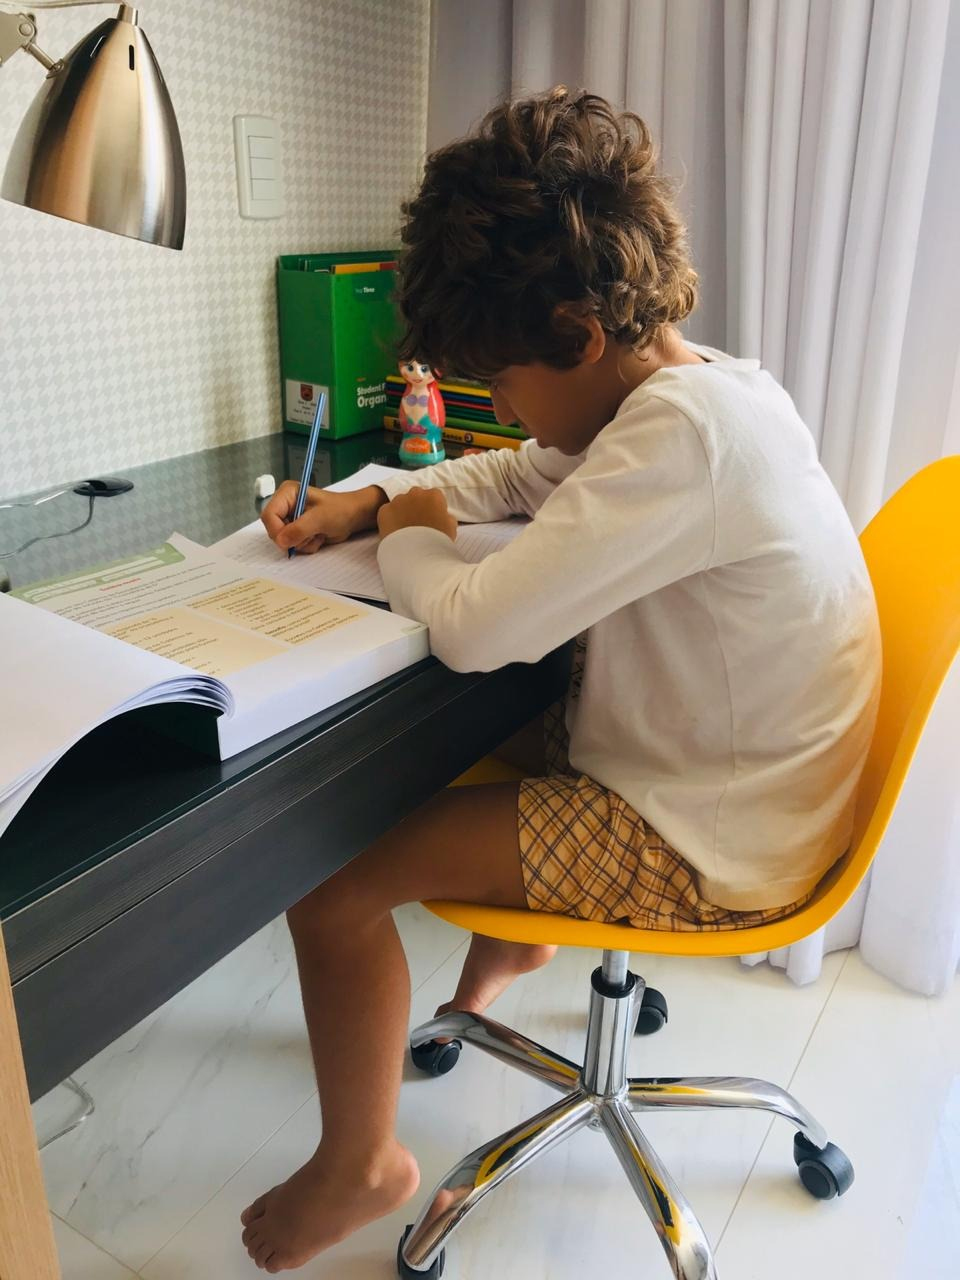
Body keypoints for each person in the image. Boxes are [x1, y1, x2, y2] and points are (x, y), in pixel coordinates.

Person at [240, 86, 881, 1272]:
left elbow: (473, 629)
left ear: (579, 334)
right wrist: (373, 500)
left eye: (499, 380)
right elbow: (519, 473)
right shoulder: (704, 391)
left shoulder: (680, 442)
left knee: (329, 885)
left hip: (702, 837)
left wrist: (412, 533)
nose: (498, 411)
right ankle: (514, 950)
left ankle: (361, 1162)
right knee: (428, 758)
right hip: (725, 771)